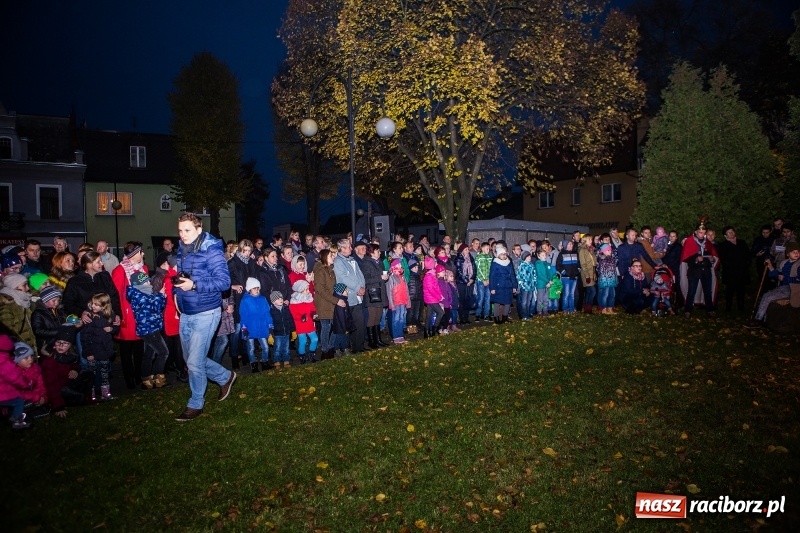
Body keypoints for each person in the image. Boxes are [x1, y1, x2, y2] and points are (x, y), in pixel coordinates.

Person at [173, 212, 237, 422]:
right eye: (180, 230)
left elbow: (224, 282)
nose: (183, 234)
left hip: (206, 312)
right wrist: (176, 294)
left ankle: (195, 403)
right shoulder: (183, 248)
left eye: (187, 230)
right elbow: (183, 276)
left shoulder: (211, 249)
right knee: (192, 360)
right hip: (186, 311)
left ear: (199, 229)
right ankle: (225, 376)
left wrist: (194, 285)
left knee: (194, 362)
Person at [111, 242, 148, 389]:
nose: (143, 254)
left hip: (141, 314)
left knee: (139, 347)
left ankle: (138, 375)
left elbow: (147, 290)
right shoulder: (120, 270)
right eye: (140, 252)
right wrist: (119, 315)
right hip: (127, 315)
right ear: (133, 254)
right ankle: (129, 378)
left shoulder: (143, 268)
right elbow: (116, 295)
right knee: (126, 349)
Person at [127, 272, 169, 390]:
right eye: (145, 281)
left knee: (149, 354)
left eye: (148, 280)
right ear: (138, 284)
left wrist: (161, 297)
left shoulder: (145, 293)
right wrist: (161, 295)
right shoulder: (138, 295)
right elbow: (152, 306)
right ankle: (158, 378)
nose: (149, 283)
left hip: (151, 327)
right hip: (149, 328)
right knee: (163, 352)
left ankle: (146, 379)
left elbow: (159, 307)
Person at [39, 326, 92, 418]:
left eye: (65, 343)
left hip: (66, 382)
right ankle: (68, 401)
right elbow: (50, 386)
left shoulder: (69, 355)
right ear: (54, 344)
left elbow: (75, 365)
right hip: (58, 390)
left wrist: (74, 370)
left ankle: (86, 397)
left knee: (88, 374)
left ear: (70, 345)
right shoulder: (50, 361)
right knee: (79, 397)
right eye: (58, 342)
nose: (61, 345)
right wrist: (58, 406)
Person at [747, 241, 800, 328]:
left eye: (797, 251)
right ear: (787, 254)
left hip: (794, 289)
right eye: (793, 252)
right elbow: (776, 275)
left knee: (768, 297)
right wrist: (770, 266)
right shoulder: (784, 263)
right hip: (783, 287)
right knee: (766, 296)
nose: (796, 253)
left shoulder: (799, 265)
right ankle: (764, 319)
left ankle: (758, 320)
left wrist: (785, 279)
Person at [81, 293, 120, 400]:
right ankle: (91, 394)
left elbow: (116, 327)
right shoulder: (89, 317)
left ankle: (105, 392)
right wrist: (88, 352)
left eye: (96, 304)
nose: (93, 306)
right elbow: (84, 336)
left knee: (105, 373)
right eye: (93, 303)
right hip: (92, 350)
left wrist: (112, 329)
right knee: (91, 374)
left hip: (104, 350)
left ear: (104, 306)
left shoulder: (110, 315)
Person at [333, 239, 367, 353]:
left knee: (360, 323)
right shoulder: (338, 262)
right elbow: (343, 278)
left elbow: (360, 275)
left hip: (358, 297)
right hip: (348, 298)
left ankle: (359, 347)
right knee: (350, 324)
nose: (351, 249)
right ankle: (352, 347)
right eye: (348, 247)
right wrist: (358, 288)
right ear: (342, 249)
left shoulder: (352, 260)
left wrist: (362, 287)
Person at [680, 223, 719, 318]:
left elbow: (711, 254)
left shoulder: (707, 242)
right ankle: (688, 310)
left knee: (707, 291)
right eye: (700, 232)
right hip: (694, 271)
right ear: (696, 232)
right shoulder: (690, 241)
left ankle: (710, 309)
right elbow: (685, 257)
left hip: (706, 270)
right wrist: (696, 259)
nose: (702, 234)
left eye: (704, 233)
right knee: (691, 291)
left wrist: (711, 259)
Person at [0, 337, 35, 429]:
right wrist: (26, 384)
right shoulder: (5, 362)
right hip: (2, 393)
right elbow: (15, 378)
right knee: (18, 402)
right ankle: (17, 421)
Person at [239, 277, 273, 372]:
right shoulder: (245, 300)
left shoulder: (263, 299)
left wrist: (270, 325)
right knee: (251, 348)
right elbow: (243, 316)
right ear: (249, 289)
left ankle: (264, 362)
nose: (257, 290)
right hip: (250, 328)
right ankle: (253, 364)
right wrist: (244, 328)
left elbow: (267, 313)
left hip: (262, 327)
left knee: (265, 347)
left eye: (258, 288)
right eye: (254, 288)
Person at [717, 226, 750, 312]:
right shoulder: (723, 245)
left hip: (742, 271)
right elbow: (723, 259)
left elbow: (747, 255)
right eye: (729, 232)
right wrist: (732, 266)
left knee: (741, 290)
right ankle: (728, 308)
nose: (731, 233)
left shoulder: (742, 242)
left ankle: (741, 307)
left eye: (732, 231)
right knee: (730, 290)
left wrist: (745, 265)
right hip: (730, 272)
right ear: (725, 235)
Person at [312, 249, 338, 360]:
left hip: (331, 302)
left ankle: (330, 347)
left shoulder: (330, 270)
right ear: (324, 258)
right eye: (330, 256)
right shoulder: (320, 271)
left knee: (334, 326)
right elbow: (321, 290)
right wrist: (335, 300)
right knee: (326, 327)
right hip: (324, 303)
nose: (333, 257)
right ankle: (325, 350)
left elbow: (334, 286)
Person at [0, 273, 37, 351]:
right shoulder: (6, 305)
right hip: (20, 349)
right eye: (24, 285)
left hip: (30, 345)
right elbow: (9, 330)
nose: (27, 288)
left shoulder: (24, 300)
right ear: (15, 286)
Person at [362, 244, 388, 349]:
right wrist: (380, 277)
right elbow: (366, 280)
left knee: (378, 317)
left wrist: (386, 276)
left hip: (380, 292)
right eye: (377, 251)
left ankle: (378, 340)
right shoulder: (366, 263)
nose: (380, 252)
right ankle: (371, 341)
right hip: (372, 294)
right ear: (371, 252)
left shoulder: (379, 262)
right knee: (372, 318)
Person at [289, 280, 318, 363]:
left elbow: (312, 309)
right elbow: (294, 314)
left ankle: (311, 354)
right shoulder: (294, 302)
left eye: (308, 289)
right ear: (300, 290)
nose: (308, 291)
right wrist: (301, 317)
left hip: (309, 323)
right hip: (300, 325)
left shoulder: (309, 299)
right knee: (303, 341)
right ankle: (302, 356)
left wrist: (313, 314)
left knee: (315, 339)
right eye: (306, 289)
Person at [31, 286, 66, 353]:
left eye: (58, 300)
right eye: (54, 301)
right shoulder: (38, 313)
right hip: (47, 346)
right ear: (45, 300)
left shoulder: (58, 311)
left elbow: (64, 321)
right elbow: (38, 331)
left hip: (59, 343)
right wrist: (59, 332)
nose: (57, 303)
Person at [489, 244, 518, 324]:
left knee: (508, 302)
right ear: (498, 255)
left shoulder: (509, 262)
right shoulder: (495, 263)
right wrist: (492, 288)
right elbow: (492, 276)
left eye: (505, 254)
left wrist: (514, 286)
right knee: (497, 302)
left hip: (508, 285)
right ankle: (496, 318)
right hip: (498, 286)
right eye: (502, 254)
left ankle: (505, 317)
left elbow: (512, 274)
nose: (504, 255)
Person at [386, 259, 410, 343]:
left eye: (400, 264)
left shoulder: (402, 277)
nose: (400, 266)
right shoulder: (391, 277)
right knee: (396, 319)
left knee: (401, 319)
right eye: (398, 264)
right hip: (396, 302)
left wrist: (408, 302)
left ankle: (400, 336)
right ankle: (396, 337)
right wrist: (391, 304)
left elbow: (406, 290)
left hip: (402, 301)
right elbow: (389, 292)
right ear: (394, 266)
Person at [268, 291, 295, 368]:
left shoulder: (285, 308)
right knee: (277, 348)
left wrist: (293, 330)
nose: (281, 300)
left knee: (286, 347)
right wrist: (270, 334)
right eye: (278, 299)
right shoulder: (271, 311)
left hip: (286, 332)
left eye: (281, 298)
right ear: (273, 301)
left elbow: (290, 319)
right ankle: (277, 360)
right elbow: (270, 323)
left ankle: (286, 359)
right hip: (277, 334)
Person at [422, 256, 445, 336]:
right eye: (434, 263)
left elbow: (436, 287)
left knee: (429, 315)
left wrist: (440, 295)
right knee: (441, 312)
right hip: (431, 299)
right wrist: (439, 297)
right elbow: (431, 289)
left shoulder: (432, 274)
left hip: (431, 298)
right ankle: (434, 328)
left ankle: (426, 331)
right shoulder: (429, 276)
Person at [454, 243, 476, 324]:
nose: (467, 251)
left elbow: (474, 268)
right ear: (462, 250)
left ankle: (466, 317)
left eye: (468, 249)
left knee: (468, 299)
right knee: (462, 300)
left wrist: (472, 278)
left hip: (470, 282)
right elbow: (459, 271)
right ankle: (462, 318)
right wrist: (466, 280)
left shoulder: (471, 258)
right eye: (466, 250)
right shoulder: (458, 259)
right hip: (461, 282)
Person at [331, 283, 354, 357]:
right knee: (341, 336)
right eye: (345, 290)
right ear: (340, 292)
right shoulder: (341, 303)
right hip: (340, 324)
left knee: (341, 336)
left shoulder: (344, 299)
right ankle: (342, 349)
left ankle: (339, 349)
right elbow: (340, 316)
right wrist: (344, 326)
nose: (348, 291)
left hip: (342, 323)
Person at [556, 240, 579, 313]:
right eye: (569, 244)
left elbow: (578, 263)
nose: (571, 246)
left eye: (571, 244)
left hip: (574, 276)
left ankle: (571, 308)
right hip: (566, 277)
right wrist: (564, 272)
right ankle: (565, 309)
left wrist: (578, 270)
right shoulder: (561, 254)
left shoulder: (575, 253)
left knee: (572, 293)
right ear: (565, 246)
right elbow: (558, 266)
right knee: (566, 293)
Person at [596, 243, 618, 314]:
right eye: (608, 250)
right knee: (605, 294)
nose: (610, 251)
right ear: (603, 251)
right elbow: (600, 270)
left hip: (612, 279)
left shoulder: (612, 258)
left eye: (610, 250)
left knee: (612, 295)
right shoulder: (601, 259)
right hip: (605, 280)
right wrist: (604, 279)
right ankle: (604, 308)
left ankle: (610, 308)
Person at [474, 242, 493, 321]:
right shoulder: (478, 257)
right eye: (487, 248)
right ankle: (478, 314)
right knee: (480, 298)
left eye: (489, 248)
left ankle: (486, 314)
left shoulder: (490, 257)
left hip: (488, 281)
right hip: (480, 281)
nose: (488, 250)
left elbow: (491, 269)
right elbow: (477, 269)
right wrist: (483, 279)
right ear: (482, 248)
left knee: (488, 298)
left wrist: (489, 279)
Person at [578, 235, 597, 314]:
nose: (591, 241)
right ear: (585, 240)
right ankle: (588, 306)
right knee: (593, 291)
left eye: (591, 240)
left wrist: (594, 273)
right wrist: (587, 276)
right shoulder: (582, 250)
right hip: (586, 273)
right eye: (589, 240)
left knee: (589, 291)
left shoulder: (590, 249)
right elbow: (583, 264)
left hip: (591, 272)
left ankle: (587, 308)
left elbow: (593, 262)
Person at [516, 251, 536, 320]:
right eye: (528, 257)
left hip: (531, 286)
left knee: (528, 301)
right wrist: (522, 284)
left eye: (530, 256)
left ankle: (527, 314)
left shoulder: (531, 265)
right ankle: (524, 315)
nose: (529, 258)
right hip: (525, 287)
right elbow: (519, 276)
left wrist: (534, 283)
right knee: (524, 302)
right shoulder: (522, 265)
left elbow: (534, 275)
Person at [534, 249, 554, 316]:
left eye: (545, 255)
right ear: (539, 256)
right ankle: (539, 311)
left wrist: (550, 281)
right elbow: (539, 275)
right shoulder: (538, 264)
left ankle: (545, 310)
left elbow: (550, 273)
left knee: (546, 298)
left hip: (548, 284)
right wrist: (548, 281)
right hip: (541, 284)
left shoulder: (547, 264)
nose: (544, 256)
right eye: (542, 255)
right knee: (540, 299)